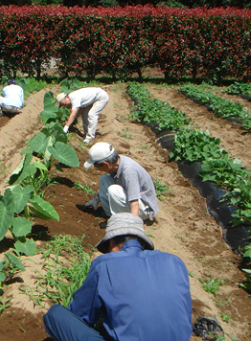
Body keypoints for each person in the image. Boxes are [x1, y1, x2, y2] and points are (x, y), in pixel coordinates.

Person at [43, 213, 193, 341]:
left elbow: (80, 315)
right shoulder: (175, 262)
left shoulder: (104, 265)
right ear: (143, 244)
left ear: (112, 242)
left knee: (55, 315)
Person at [84, 142, 159, 222]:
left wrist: (135, 227)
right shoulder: (117, 162)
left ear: (106, 164)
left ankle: (119, 221)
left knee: (114, 190)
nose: (98, 169)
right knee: (104, 179)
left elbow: (134, 203)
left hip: (144, 208)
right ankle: (109, 215)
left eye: (97, 167)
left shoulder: (129, 172)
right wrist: (97, 198)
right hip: (135, 200)